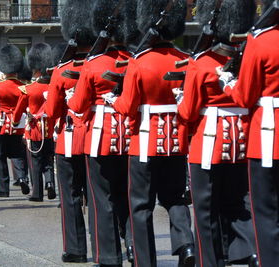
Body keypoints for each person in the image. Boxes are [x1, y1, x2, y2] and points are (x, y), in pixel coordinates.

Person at [102, 1, 196, 266]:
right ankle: (186, 245)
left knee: (141, 206)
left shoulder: (139, 62)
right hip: (176, 142)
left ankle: (145, 261)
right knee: (175, 199)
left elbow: (128, 107)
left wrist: (112, 100)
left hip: (144, 143)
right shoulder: (186, 60)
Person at [177, 0, 258, 266]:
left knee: (205, 210)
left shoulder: (201, 63)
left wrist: (179, 100)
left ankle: (210, 261)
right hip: (242, 142)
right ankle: (250, 252)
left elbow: (188, 113)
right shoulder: (247, 57)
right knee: (238, 205)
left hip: (208, 145)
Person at [67, 0, 138, 265]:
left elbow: (78, 105)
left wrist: (71, 97)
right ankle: (134, 246)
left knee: (102, 198)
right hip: (131, 136)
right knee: (129, 195)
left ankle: (108, 256)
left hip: (100, 136)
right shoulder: (134, 60)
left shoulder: (94, 63)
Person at [216, 0, 279, 265]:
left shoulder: (260, 40)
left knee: (265, 212)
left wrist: (228, 83)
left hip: (267, 135)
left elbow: (244, 96)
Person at [45, 0, 96, 263]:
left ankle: (77, 249)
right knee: (100, 197)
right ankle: (109, 245)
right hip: (98, 139)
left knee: (71, 195)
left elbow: (52, 110)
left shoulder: (62, 71)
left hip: (68, 140)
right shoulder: (102, 67)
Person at [13, 43, 56, 202]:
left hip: (35, 130)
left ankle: (37, 193)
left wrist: (15, 122)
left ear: (36, 68)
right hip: (50, 130)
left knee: (36, 162)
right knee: (49, 160)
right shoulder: (53, 86)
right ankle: (50, 183)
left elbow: (18, 110)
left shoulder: (29, 89)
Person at [0, 44, 30, 198]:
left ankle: (3, 189)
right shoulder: (23, 87)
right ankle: (21, 177)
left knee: (0, 156)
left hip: (0, 124)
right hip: (18, 123)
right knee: (18, 153)